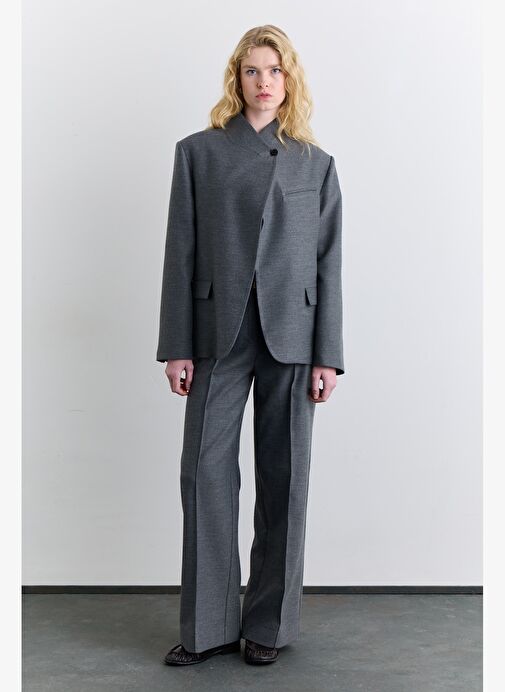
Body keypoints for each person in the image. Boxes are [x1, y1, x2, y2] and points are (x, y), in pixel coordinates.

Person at [157, 24, 344, 666]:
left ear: (290, 80)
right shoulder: (198, 153)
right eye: (252, 70)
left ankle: (268, 625)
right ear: (236, 80)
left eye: (275, 70)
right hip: (218, 332)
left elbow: (328, 263)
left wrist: (328, 354)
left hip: (294, 334)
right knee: (205, 472)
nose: (264, 82)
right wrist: (176, 345)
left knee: (285, 477)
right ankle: (208, 627)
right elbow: (180, 252)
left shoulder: (316, 164)